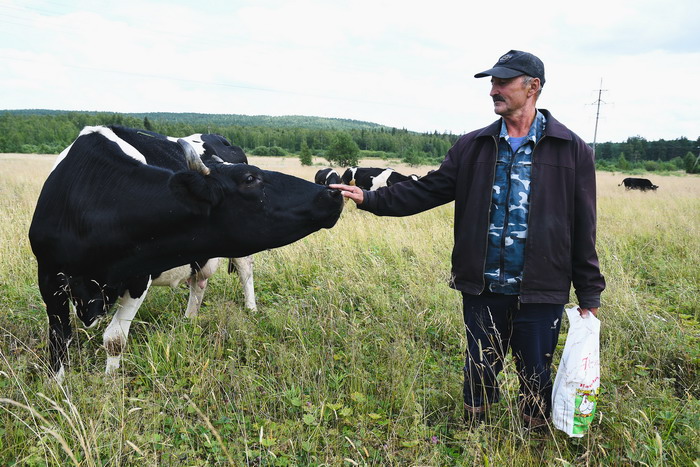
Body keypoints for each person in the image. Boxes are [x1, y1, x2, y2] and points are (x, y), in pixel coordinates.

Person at [331, 50, 605, 430]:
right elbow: (428, 191)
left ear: (533, 87)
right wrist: (372, 199)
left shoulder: (571, 148)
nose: (494, 89)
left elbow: (582, 224)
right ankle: (473, 433)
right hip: (483, 286)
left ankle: (534, 437)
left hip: (542, 288)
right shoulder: (473, 145)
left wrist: (589, 292)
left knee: (536, 373)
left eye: (503, 82)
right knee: (479, 368)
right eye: (492, 82)